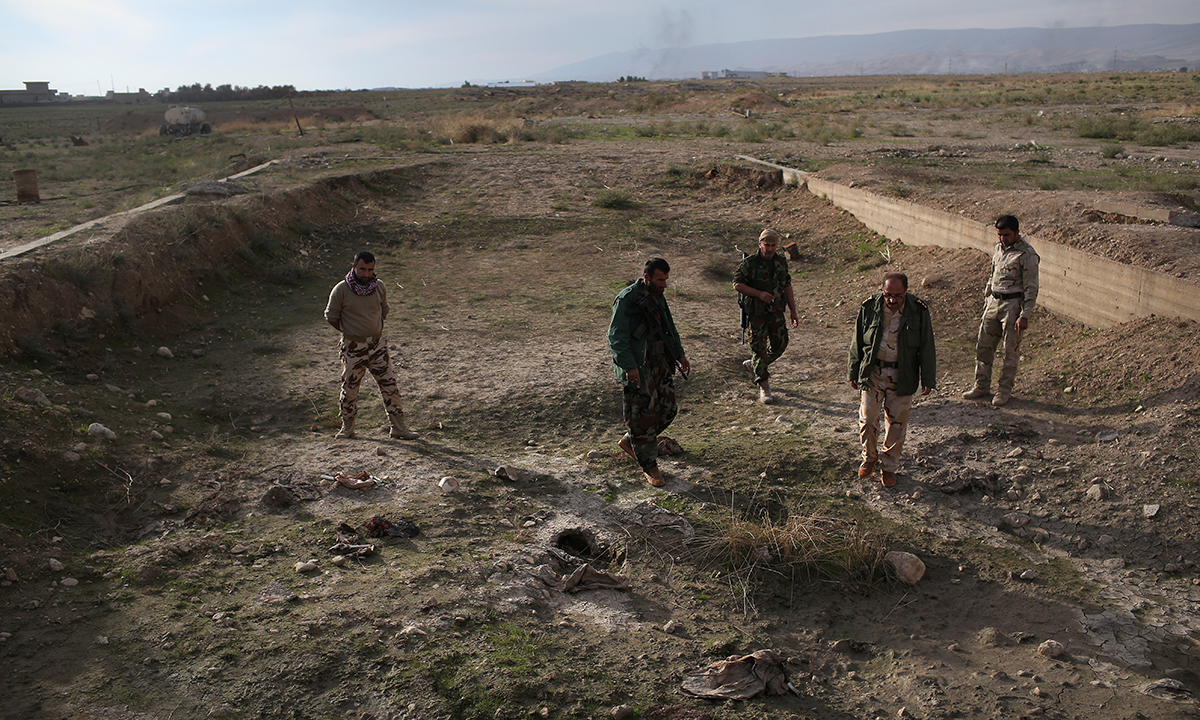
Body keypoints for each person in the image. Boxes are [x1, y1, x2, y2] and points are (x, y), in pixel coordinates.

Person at [607, 258, 691, 487]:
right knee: (642, 418)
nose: (664, 284)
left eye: (666, 279)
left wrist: (680, 355)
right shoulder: (626, 300)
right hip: (638, 369)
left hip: (660, 364)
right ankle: (649, 465)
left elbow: (669, 328)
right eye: (660, 280)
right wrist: (629, 366)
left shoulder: (657, 296)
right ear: (647, 278)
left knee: (668, 409)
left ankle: (631, 440)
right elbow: (615, 337)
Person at [848, 272, 936, 488]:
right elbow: (857, 340)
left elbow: (927, 345)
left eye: (897, 295)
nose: (892, 300)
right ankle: (869, 458)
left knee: (897, 424)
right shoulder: (870, 307)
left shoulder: (918, 310)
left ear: (905, 292)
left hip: (903, 375)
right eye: (887, 295)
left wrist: (928, 377)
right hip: (873, 372)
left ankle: (888, 467)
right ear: (882, 290)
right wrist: (853, 371)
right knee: (868, 419)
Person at [324, 251, 419, 441]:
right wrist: (350, 332)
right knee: (350, 387)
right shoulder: (341, 290)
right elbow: (331, 316)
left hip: (377, 346)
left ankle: (398, 427)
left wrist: (372, 331)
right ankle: (347, 428)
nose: (366, 274)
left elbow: (384, 310)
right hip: (353, 347)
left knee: (389, 385)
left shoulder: (379, 287)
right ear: (354, 268)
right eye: (362, 269)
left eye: (370, 270)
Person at [963, 215, 1040, 407]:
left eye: (1006, 235)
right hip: (994, 302)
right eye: (999, 235)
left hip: (1013, 306)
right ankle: (981, 386)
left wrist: (1025, 315)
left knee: (1009, 351)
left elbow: (1032, 287)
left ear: (1016, 233)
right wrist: (987, 297)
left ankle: (1004, 391)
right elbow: (993, 274)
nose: (1003, 239)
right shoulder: (999, 249)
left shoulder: (1027, 255)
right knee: (983, 347)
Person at [734, 228, 799, 404]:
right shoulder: (750, 263)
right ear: (760, 244)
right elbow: (737, 284)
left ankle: (756, 365)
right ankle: (764, 385)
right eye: (767, 245)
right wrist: (758, 293)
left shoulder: (780, 262)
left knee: (781, 344)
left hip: (777, 311)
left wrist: (793, 311)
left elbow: (787, 286)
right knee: (758, 348)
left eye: (773, 245)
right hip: (757, 313)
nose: (770, 249)